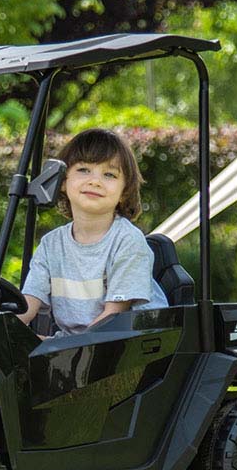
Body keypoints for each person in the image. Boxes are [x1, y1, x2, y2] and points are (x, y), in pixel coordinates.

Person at [19, 128, 168, 336]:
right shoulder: (51, 245)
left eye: (109, 174)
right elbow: (28, 303)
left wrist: (58, 346)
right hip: (80, 344)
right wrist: (1, 329)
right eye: (84, 170)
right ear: (62, 181)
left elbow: (113, 317)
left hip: (128, 342)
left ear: (124, 192)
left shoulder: (127, 240)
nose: (95, 181)